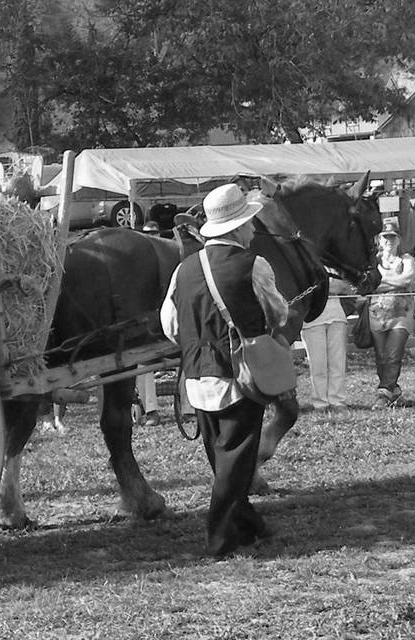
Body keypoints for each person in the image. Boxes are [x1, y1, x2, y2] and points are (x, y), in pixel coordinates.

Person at [160, 183, 288, 557]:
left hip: (196, 377)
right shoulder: (255, 265)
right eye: (248, 222)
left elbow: (169, 325)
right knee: (234, 461)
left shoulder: (184, 269)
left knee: (222, 457)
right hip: (239, 376)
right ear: (235, 228)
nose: (252, 229)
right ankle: (220, 540)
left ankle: (250, 525)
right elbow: (277, 313)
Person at [367, 218, 415, 407]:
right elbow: (371, 283)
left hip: (401, 316)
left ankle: (383, 393)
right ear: (379, 239)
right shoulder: (373, 261)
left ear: (399, 240)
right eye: (385, 237)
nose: (389, 240)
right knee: (381, 356)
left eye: (393, 237)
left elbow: (407, 278)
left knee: (393, 354)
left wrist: (382, 283)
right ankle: (394, 391)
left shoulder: (406, 259)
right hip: (377, 315)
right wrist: (392, 280)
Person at [300, 271, 351, 412]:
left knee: (337, 362)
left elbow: (346, 287)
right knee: (317, 364)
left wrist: (324, 286)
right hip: (311, 320)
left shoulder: (335, 266)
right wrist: (331, 285)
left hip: (337, 317)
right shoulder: (305, 264)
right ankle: (320, 402)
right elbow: (304, 288)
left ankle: (337, 400)